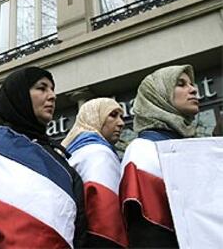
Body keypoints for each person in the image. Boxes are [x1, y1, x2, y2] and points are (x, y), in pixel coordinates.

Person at [0, 67, 87, 248]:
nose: (52, 95)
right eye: (42, 88)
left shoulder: (62, 164)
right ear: (19, 95)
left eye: (52, 89)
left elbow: (79, 229)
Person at [120, 64, 199, 247]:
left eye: (191, 84)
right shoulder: (143, 151)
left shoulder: (189, 145)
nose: (193, 89)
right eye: (181, 84)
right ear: (158, 96)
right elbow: (149, 233)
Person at [61, 98, 128, 248]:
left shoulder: (74, 152)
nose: (121, 123)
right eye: (113, 115)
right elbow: (106, 221)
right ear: (94, 117)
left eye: (122, 116)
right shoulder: (99, 153)